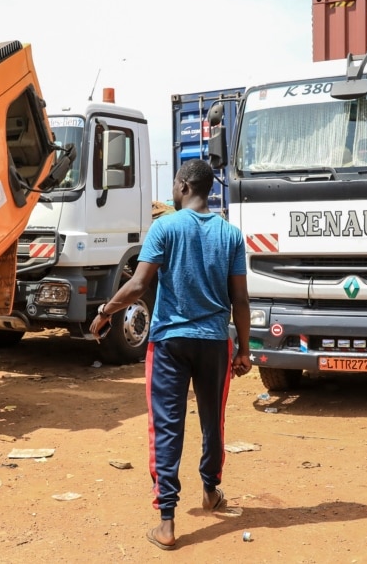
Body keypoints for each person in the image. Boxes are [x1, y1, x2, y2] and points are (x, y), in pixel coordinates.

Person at [89, 159, 251, 551]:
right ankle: (211, 491)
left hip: (169, 344)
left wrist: (104, 312)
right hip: (214, 341)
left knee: (166, 427)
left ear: (182, 186)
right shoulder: (231, 235)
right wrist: (245, 349)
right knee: (213, 422)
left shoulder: (164, 227)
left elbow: (138, 284)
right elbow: (240, 299)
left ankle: (166, 522)